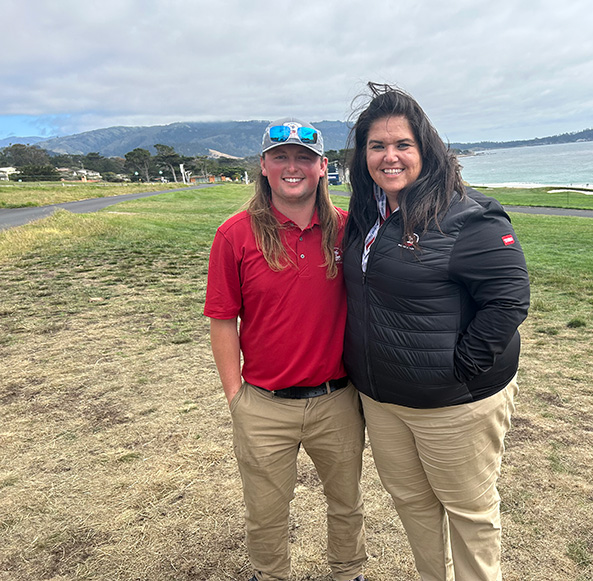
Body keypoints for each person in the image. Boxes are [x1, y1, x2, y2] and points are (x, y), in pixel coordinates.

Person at [342, 84, 530, 581]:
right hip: (382, 402)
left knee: (469, 512)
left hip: (454, 404)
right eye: (377, 146)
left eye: (402, 144)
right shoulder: (366, 216)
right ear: (363, 156)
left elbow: (509, 300)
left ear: (425, 149)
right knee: (412, 505)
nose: (390, 156)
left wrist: (456, 370)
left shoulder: (468, 215)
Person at [204, 118, 367, 581]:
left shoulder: (347, 230)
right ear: (263, 166)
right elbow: (221, 320)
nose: (291, 166)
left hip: (337, 399)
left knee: (347, 503)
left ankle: (348, 572)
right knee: (265, 512)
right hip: (264, 404)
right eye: (280, 157)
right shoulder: (234, 234)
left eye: (303, 158)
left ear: (322, 167)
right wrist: (236, 396)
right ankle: (269, 574)